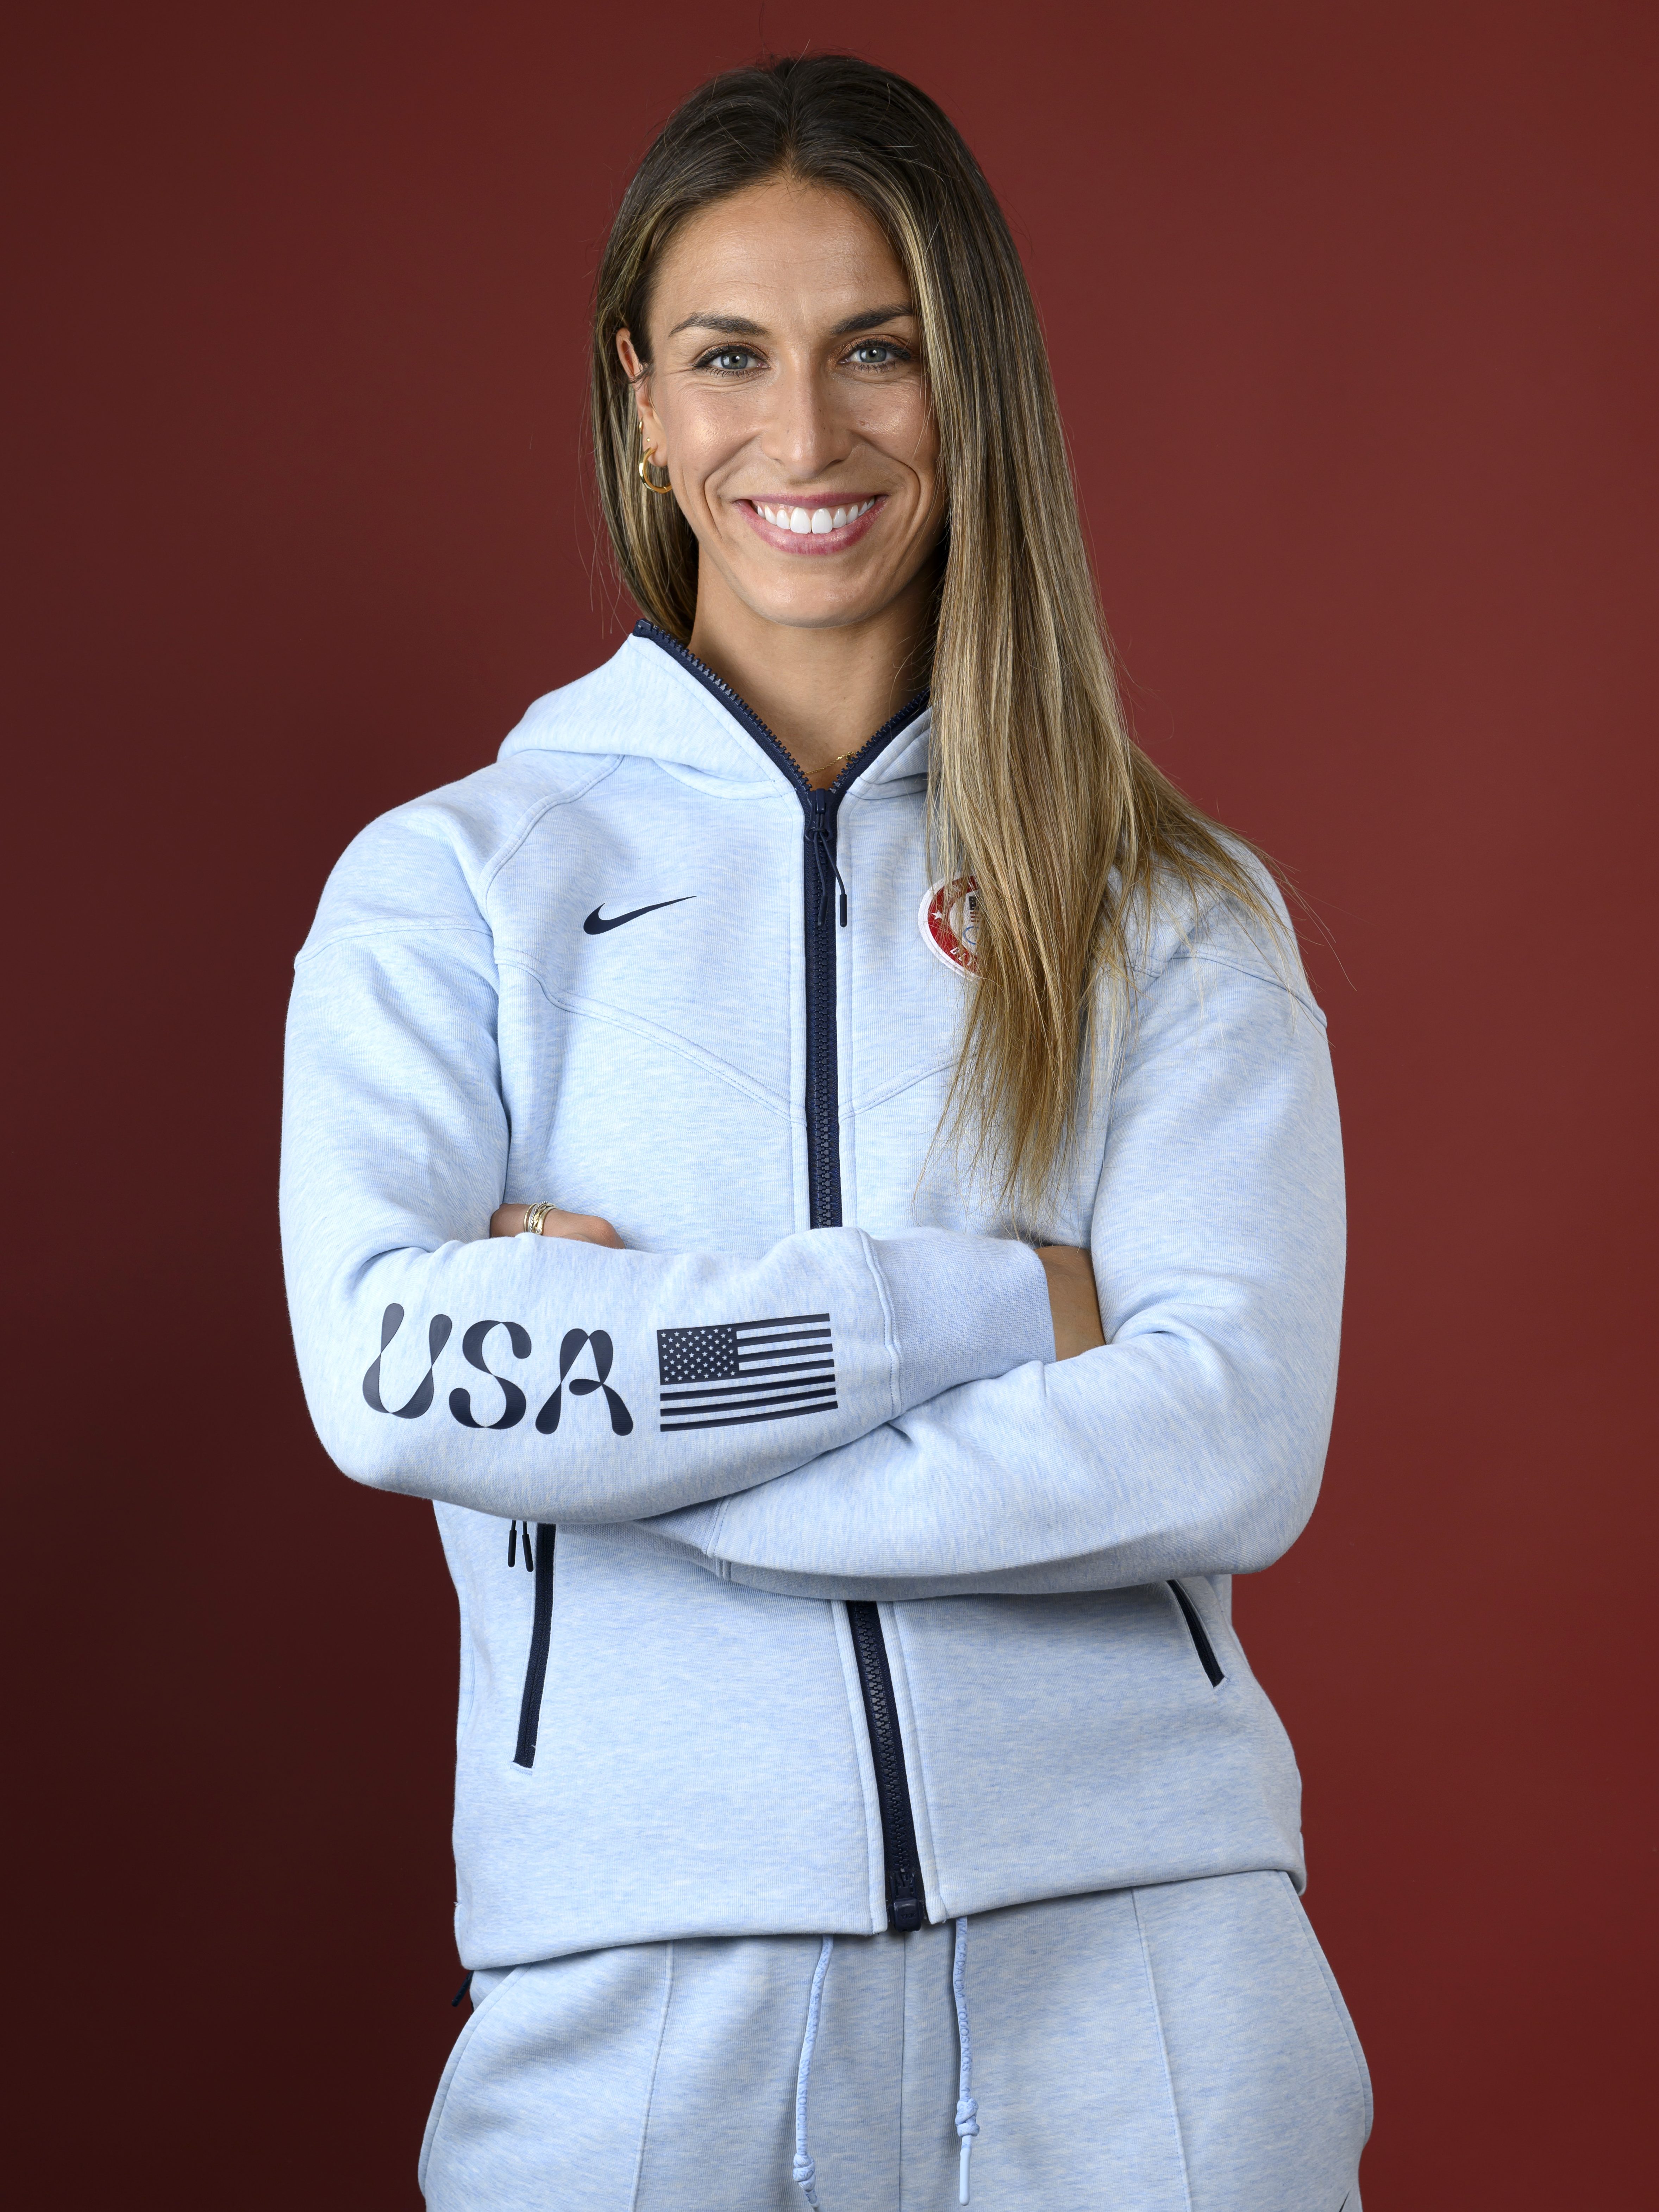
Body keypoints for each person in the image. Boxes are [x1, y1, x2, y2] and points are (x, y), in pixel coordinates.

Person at [281, 52, 1370, 2212]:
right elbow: (392, 1372)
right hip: (635, 1982)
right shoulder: (454, 888)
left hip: (1143, 1956)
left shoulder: (1160, 903)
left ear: (972, 383)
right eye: (729, 358)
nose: (804, 436)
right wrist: (979, 1309)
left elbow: (1227, 1438)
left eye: (879, 348)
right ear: (644, 401)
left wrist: (642, 1452)